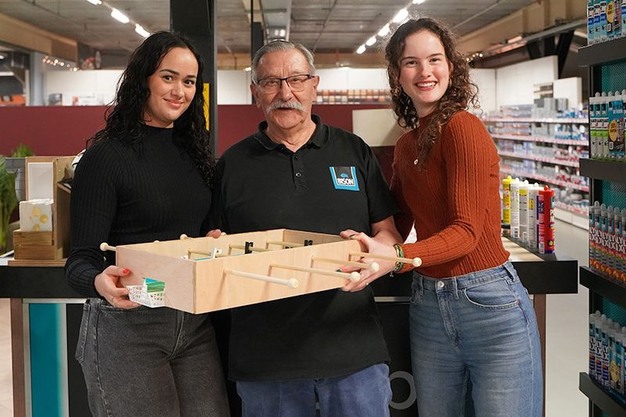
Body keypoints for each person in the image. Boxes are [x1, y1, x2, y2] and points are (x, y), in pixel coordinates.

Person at [342, 17, 543, 417]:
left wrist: (397, 257)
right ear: (397, 75)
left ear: (451, 66)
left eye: (434, 59)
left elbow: (466, 233)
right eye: (411, 62)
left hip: (489, 304)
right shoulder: (407, 146)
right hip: (429, 306)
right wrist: (362, 245)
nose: (425, 71)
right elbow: (396, 223)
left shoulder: (463, 128)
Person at [210, 40, 401, 417]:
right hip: (267, 365)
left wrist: (380, 258)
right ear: (255, 92)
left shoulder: (354, 151)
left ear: (315, 85)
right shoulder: (231, 166)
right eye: (271, 82)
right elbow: (213, 246)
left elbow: (388, 234)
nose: (285, 93)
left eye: (296, 79)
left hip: (354, 356)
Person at [65, 31, 230, 417]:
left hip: (192, 321)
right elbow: (80, 261)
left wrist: (211, 242)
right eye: (168, 77)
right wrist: (99, 281)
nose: (179, 91)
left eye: (189, 81)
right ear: (143, 80)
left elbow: (198, 233)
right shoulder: (105, 159)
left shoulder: (196, 155)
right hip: (128, 325)